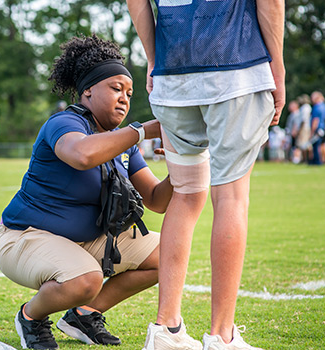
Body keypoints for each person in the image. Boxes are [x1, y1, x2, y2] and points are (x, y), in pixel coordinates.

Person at [0, 34, 173, 350]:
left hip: (86, 242)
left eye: (129, 93)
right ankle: (30, 317)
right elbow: (81, 155)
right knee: (86, 279)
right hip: (25, 237)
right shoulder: (64, 123)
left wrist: (186, 161)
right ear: (88, 90)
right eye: (116, 89)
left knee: (168, 252)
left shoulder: (123, 142)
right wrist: (141, 131)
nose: (124, 99)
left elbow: (157, 200)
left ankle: (84, 315)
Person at [127, 0, 285, 349]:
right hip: (236, 72)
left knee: (185, 193)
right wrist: (278, 67)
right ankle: (222, 336)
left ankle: (166, 329)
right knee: (230, 197)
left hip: (174, 77)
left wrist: (154, 59)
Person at [309, 91, 325, 165]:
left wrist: (312, 131)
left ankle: (317, 161)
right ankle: (322, 160)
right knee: (321, 145)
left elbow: (315, 120)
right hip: (322, 128)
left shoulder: (317, 107)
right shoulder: (324, 106)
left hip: (317, 129)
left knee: (316, 146)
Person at [295, 94, 312, 164]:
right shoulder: (306, 108)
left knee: (303, 144)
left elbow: (303, 120)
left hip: (304, 128)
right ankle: (305, 158)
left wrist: (300, 129)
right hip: (306, 127)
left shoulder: (305, 108)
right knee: (304, 144)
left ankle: (305, 159)